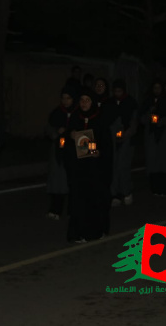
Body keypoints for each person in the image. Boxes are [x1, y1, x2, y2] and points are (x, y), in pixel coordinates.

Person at [64, 88, 114, 243]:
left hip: (95, 168)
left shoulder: (100, 119)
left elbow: (106, 143)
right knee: (78, 199)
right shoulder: (75, 117)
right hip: (79, 168)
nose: (84, 103)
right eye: (82, 100)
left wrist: (99, 152)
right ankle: (78, 232)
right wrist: (71, 135)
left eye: (87, 100)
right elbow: (66, 138)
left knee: (94, 199)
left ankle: (95, 231)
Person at [45, 86, 77, 221]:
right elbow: (49, 128)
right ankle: (56, 209)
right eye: (63, 98)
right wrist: (56, 133)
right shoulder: (57, 113)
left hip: (75, 151)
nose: (65, 101)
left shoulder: (79, 113)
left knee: (75, 181)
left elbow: (87, 133)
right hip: (59, 151)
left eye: (68, 98)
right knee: (57, 181)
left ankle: (73, 209)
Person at [110, 79, 139, 207]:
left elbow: (134, 123)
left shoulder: (131, 102)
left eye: (119, 91)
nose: (117, 93)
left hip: (127, 139)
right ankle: (115, 193)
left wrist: (126, 134)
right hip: (113, 139)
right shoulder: (110, 103)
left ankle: (126, 191)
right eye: (115, 91)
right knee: (114, 167)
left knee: (123, 166)